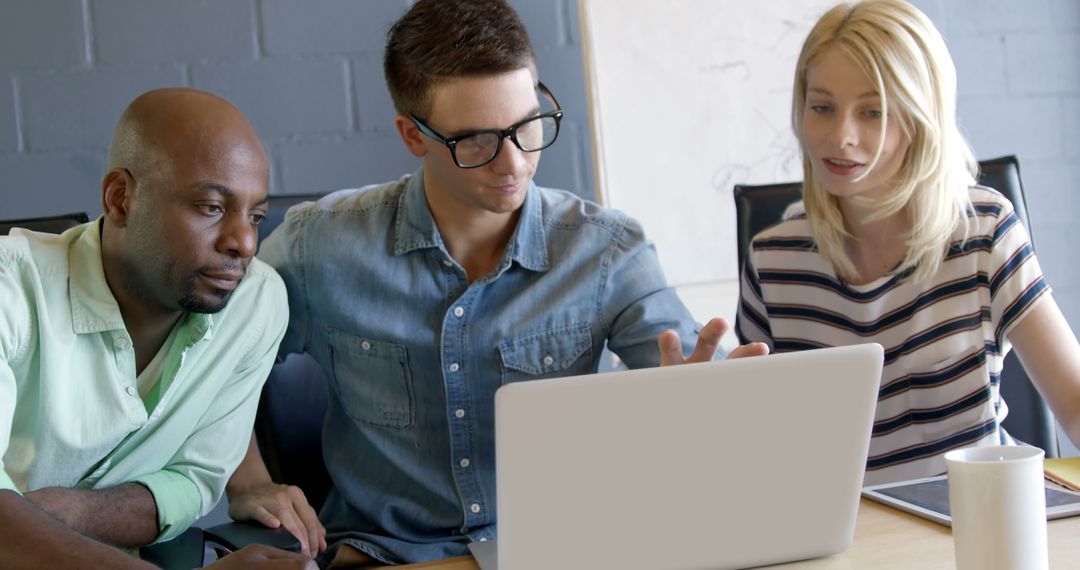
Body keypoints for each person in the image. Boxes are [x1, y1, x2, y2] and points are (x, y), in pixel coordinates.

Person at [224, 0, 767, 566]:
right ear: (413, 135)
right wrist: (247, 482)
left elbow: (700, 390)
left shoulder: (605, 251)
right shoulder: (321, 247)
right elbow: (207, 360)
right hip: (386, 553)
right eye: (477, 141)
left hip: (562, 549)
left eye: (528, 124)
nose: (513, 162)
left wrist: (701, 406)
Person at [736, 0, 1080, 486]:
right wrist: (695, 410)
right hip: (846, 537)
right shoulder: (773, 262)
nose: (842, 136)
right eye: (822, 107)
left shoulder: (982, 231)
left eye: (873, 112)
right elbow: (757, 446)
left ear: (921, 119)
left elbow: (1075, 402)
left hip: (976, 520)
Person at [0, 88, 314, 569]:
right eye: (211, 207)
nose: (246, 243)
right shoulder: (11, 289)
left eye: (255, 216)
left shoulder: (255, 302)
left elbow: (194, 480)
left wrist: (70, 512)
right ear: (121, 198)